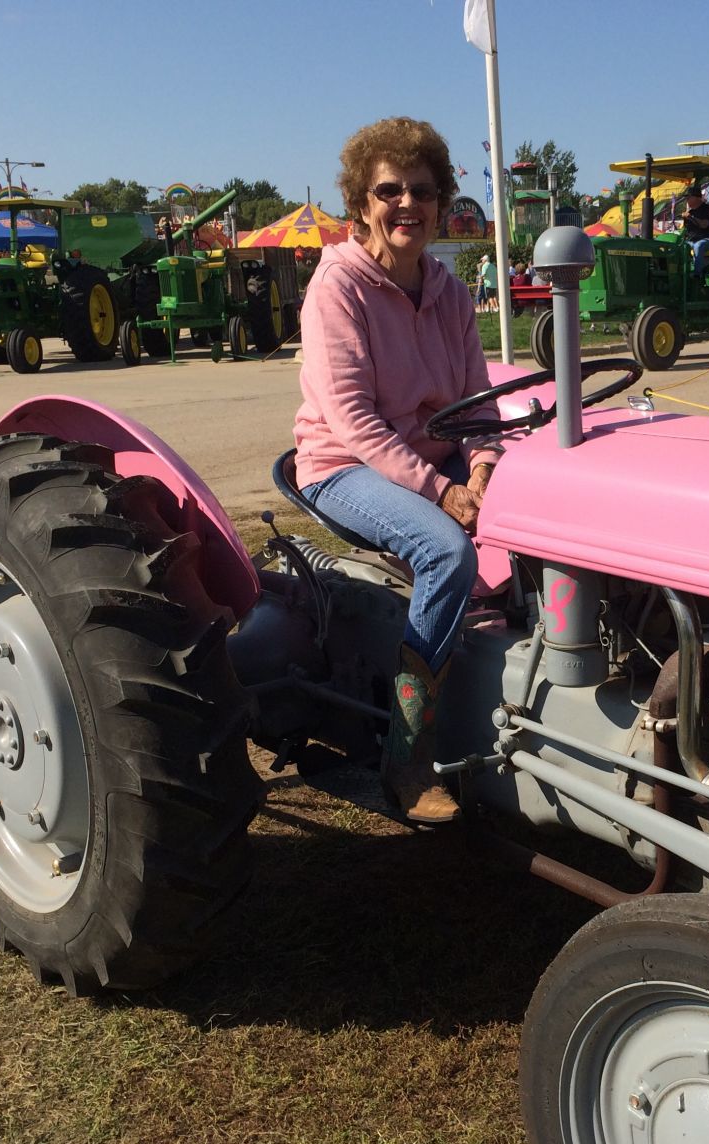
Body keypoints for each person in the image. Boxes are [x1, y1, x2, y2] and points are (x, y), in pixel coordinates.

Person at [294, 116, 500, 823]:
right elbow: (353, 421)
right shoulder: (337, 289)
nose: (406, 203)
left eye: (421, 190)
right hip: (343, 464)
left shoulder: (450, 293)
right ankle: (407, 757)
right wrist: (443, 491)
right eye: (389, 191)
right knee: (445, 553)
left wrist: (483, 468)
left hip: (434, 459)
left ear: (441, 202)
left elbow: (476, 404)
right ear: (361, 203)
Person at [682, 186, 709, 272]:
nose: (687, 200)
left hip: (706, 239)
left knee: (698, 246)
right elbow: (685, 229)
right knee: (676, 246)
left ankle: (697, 274)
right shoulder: (690, 212)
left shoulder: (708, 209)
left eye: (689, 197)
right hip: (690, 240)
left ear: (697, 198)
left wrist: (691, 217)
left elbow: (704, 225)